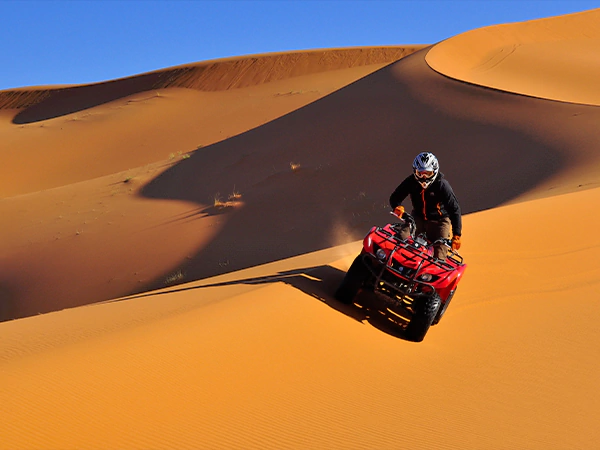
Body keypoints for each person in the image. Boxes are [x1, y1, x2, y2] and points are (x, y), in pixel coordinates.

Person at [389, 152, 462, 261]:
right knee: (401, 238)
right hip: (417, 217)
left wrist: (457, 235)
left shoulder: (442, 185)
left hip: (440, 221)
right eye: (420, 173)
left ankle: (428, 276)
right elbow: (395, 197)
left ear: (434, 172)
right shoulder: (411, 181)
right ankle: (391, 263)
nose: (424, 177)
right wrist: (397, 207)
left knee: (440, 255)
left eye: (428, 173)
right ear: (415, 172)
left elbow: (454, 209)